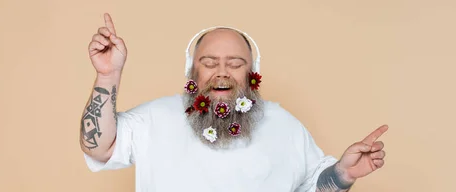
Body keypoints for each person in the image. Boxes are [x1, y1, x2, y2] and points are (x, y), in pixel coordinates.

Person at [80, 13, 388, 192]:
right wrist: (109, 74)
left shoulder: (284, 125)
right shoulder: (153, 118)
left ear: (252, 72)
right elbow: (99, 146)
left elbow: (315, 187)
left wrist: (342, 175)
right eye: (210, 62)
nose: (222, 72)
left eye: (235, 63)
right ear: (193, 70)